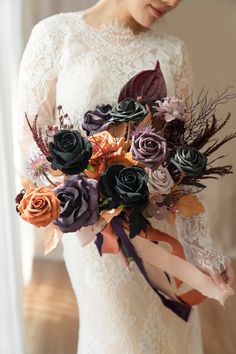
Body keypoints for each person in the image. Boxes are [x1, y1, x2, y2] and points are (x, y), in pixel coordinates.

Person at [18, 1, 235, 353]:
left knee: (171, 335)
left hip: (160, 232)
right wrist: (84, 205)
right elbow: (30, 145)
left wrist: (201, 249)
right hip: (98, 238)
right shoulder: (56, 35)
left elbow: (185, 164)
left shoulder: (173, 52)